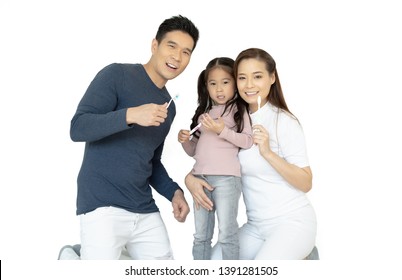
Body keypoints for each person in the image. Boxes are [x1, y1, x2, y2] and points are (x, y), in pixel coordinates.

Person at [68, 15, 199, 260]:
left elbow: (151, 162)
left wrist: (174, 193)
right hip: (102, 205)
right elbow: (78, 127)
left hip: (144, 209)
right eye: (171, 46)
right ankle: (72, 259)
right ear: (154, 45)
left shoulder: (170, 108)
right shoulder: (117, 75)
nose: (177, 57)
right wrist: (130, 115)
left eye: (186, 52)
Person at [185, 48, 318, 260]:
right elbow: (213, 158)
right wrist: (189, 178)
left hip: (292, 222)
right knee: (212, 264)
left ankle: (303, 253)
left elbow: (306, 182)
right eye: (242, 78)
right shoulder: (231, 119)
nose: (249, 85)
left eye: (257, 77)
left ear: (272, 77)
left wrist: (268, 153)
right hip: (255, 227)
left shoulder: (283, 121)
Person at [178, 57, 253, 259]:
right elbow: (194, 150)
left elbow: (247, 141)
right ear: (206, 87)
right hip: (199, 179)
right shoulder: (204, 115)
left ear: (235, 84)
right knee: (201, 235)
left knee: (227, 233)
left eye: (225, 82)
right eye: (213, 84)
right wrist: (185, 140)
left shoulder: (240, 110)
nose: (219, 89)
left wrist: (222, 130)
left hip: (227, 179)